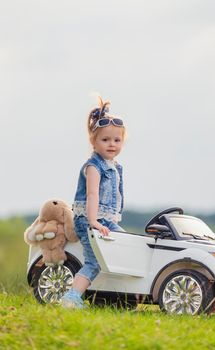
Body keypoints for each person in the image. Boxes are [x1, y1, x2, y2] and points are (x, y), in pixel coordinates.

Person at [61, 97, 126, 309]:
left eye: (117, 140)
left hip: (105, 220)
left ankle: (116, 296)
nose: (112, 144)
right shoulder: (93, 167)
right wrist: (93, 222)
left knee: (124, 245)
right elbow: (92, 195)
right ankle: (71, 297)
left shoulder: (116, 167)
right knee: (94, 261)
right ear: (94, 141)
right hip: (89, 220)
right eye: (105, 140)